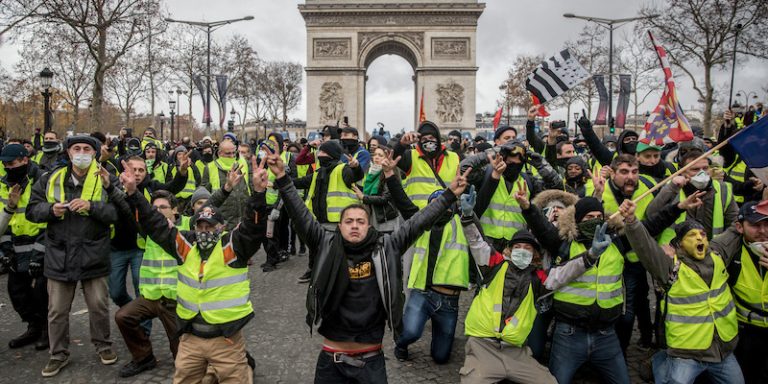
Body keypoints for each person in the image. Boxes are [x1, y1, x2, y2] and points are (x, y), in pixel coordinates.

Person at [269, 148, 471, 383]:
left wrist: (448, 195)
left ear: (369, 226)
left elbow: (418, 223)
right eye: (349, 221)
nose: (354, 225)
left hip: (371, 360)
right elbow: (301, 215)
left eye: (360, 221)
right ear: (340, 227)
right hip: (331, 359)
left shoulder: (388, 246)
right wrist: (283, 178)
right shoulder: (324, 243)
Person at [120, 155, 268, 384]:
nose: (205, 231)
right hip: (190, 338)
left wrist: (258, 193)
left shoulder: (233, 246)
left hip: (226, 339)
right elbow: (153, 222)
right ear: (194, 227)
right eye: (201, 226)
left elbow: (253, 228)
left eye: (211, 226)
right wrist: (133, 193)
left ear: (222, 227)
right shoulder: (185, 246)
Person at [521, 193, 693, 384]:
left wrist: (678, 207)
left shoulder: (617, 241)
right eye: (588, 218)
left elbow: (651, 226)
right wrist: (528, 207)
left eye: (598, 217)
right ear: (577, 220)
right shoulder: (565, 242)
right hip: (569, 333)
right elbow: (541, 228)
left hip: (606, 335)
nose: (594, 221)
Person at [26, 135, 121, 377]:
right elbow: (31, 210)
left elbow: (118, 212)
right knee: (56, 310)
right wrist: (50, 210)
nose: (81, 152)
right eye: (76, 148)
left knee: (99, 306)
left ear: (94, 153)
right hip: (60, 254)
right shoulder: (49, 178)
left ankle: (103, 345)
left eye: (86, 148)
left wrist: (92, 207)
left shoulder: (106, 179)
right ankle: (58, 353)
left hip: (94, 252)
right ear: (68, 153)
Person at [621, 200, 744, 384]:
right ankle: (660, 361)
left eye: (702, 234)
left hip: (722, 352)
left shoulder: (717, 254)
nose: (700, 239)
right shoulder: (670, 267)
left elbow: (735, 231)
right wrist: (631, 221)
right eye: (692, 235)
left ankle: (660, 360)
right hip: (686, 355)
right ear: (679, 244)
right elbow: (645, 247)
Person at [114, 190, 189, 377]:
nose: (158, 211)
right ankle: (144, 358)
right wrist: (110, 186)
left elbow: (208, 205)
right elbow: (126, 207)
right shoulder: (148, 231)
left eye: (163, 207)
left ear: (175, 210)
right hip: (151, 297)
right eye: (154, 208)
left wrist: (227, 188)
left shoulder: (188, 228)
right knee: (123, 316)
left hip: (174, 300)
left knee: (183, 361)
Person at [710, 200, 768, 384]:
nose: (763, 231)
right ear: (739, 227)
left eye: (767, 225)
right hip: (746, 332)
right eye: (755, 225)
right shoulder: (733, 252)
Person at [293, 140, 363, 281]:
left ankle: (340, 278)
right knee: (316, 250)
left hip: (338, 221)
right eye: (320, 151)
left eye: (323, 152)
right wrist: (277, 182)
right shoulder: (319, 172)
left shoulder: (343, 169)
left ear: (331, 154)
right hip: (319, 220)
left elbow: (355, 176)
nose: (319, 154)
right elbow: (300, 182)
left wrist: (356, 168)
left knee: (338, 253)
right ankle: (315, 272)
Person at [0, 144, 47, 351]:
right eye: (5, 164)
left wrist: (40, 251)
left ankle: (47, 329)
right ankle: (33, 326)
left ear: (25, 160)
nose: (8, 167)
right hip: (16, 243)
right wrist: (5, 249)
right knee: (16, 291)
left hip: (41, 242)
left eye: (12, 163)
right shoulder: (3, 184)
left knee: (41, 292)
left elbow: (48, 217)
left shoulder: (42, 179)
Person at [649, 148, 739, 243]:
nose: (702, 173)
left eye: (705, 168)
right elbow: (651, 213)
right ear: (683, 172)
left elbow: (734, 223)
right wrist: (671, 188)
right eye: (695, 169)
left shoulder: (723, 189)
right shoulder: (672, 188)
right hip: (675, 250)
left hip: (710, 250)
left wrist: (719, 246)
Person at [393, 120, 460, 209]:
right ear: (419, 141)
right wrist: (401, 144)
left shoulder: (454, 157)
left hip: (448, 218)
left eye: (431, 138)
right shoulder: (410, 156)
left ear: (438, 139)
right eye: (424, 139)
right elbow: (392, 158)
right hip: (420, 219)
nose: (428, 142)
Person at [201, 139, 253, 231]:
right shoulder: (210, 167)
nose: (232, 156)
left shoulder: (243, 163)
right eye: (228, 153)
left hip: (243, 220)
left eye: (234, 152)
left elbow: (250, 187)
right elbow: (204, 195)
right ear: (220, 153)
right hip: (222, 223)